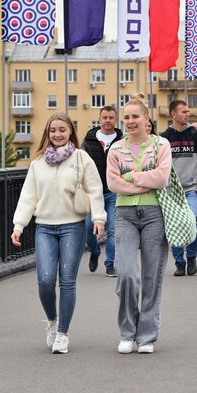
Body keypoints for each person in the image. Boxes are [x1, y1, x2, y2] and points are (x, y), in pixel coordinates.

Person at [11, 113, 106, 354]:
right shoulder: (38, 163)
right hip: (44, 226)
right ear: (47, 133)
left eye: (62, 130)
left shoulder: (81, 158)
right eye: (53, 130)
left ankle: (63, 333)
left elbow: (94, 190)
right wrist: (18, 225)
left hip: (73, 225)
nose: (57, 134)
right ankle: (52, 322)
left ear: (70, 131)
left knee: (67, 281)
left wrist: (98, 218)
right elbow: (28, 196)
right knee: (44, 281)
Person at [107, 94, 172, 354]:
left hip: (155, 213)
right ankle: (126, 332)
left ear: (147, 119)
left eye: (136, 117)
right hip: (124, 215)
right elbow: (113, 183)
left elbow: (162, 178)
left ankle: (146, 336)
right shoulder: (115, 149)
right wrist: (143, 181)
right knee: (126, 273)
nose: (131, 121)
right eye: (127, 118)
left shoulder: (161, 145)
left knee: (151, 276)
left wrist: (131, 176)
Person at [160, 100, 197, 276]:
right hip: (170, 190)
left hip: (191, 188)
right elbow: (159, 165)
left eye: (188, 111)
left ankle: (191, 257)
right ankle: (179, 262)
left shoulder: (195, 135)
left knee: (192, 221)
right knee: (173, 225)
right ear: (173, 114)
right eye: (183, 111)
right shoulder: (164, 137)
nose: (187, 114)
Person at [82, 106, 123, 276]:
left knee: (113, 229)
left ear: (116, 120)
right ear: (99, 119)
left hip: (113, 191)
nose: (107, 120)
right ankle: (95, 251)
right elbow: (81, 165)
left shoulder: (122, 141)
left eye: (111, 118)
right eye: (104, 117)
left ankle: (110, 263)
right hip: (93, 192)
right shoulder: (88, 140)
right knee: (88, 226)